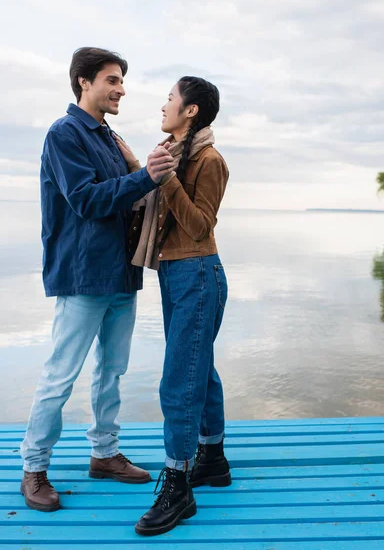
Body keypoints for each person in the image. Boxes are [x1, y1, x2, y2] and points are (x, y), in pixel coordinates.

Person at [20, 47, 174, 512]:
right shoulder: (64, 133)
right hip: (84, 276)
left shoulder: (110, 136)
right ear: (83, 82)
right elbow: (87, 200)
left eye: (122, 80)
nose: (121, 88)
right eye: (112, 79)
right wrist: (146, 176)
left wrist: (145, 174)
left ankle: (104, 455)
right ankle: (34, 467)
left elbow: (124, 200)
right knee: (60, 376)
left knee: (113, 371)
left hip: (121, 274)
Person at [114, 76, 231, 536]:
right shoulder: (175, 152)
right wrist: (141, 168)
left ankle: (179, 486)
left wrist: (164, 180)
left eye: (170, 98)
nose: (164, 104)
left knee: (179, 379)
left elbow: (200, 225)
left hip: (198, 273)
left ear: (191, 111)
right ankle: (213, 458)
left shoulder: (209, 160)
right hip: (176, 274)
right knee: (198, 368)